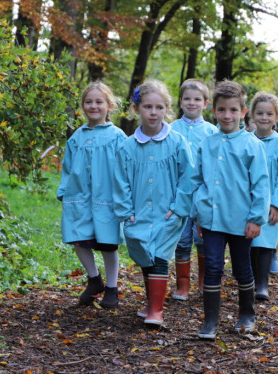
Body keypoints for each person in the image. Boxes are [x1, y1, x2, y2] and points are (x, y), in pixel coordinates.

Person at [192, 81, 270, 339]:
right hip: (212, 220)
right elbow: (197, 180)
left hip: (241, 220)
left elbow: (261, 184)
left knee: (242, 269)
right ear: (213, 110)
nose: (227, 115)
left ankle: (246, 314)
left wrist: (256, 219)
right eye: (222, 110)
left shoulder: (252, 145)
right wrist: (199, 215)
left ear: (243, 112)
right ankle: (210, 321)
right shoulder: (207, 143)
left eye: (233, 110)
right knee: (213, 266)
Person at [113, 79, 194, 326]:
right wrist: (126, 211)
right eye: (148, 107)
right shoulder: (127, 146)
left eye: (159, 107)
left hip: (167, 211)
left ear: (167, 109)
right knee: (145, 254)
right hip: (137, 212)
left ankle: (156, 311)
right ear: (137, 109)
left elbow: (188, 176)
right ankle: (151, 301)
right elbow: (120, 181)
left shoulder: (177, 141)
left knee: (159, 253)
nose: (153, 112)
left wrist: (178, 207)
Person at [57, 81, 127, 308]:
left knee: (107, 243)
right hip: (79, 196)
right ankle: (94, 279)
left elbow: (126, 167)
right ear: (82, 106)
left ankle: (113, 287)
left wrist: (125, 194)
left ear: (109, 105)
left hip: (107, 198)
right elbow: (67, 167)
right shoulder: (76, 137)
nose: (93, 106)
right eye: (89, 102)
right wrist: (64, 191)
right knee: (79, 239)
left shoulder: (117, 136)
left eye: (99, 102)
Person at [170, 79, 218, 300]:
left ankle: (203, 282)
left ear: (206, 104)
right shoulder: (170, 129)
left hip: (203, 194)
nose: (192, 103)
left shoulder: (212, 132)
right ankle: (182, 285)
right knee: (181, 241)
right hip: (178, 194)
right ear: (180, 102)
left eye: (197, 99)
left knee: (203, 240)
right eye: (187, 99)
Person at [249, 91, 278, 300]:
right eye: (259, 113)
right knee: (249, 242)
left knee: (266, 244)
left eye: (269, 114)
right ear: (252, 115)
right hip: (248, 203)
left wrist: (277, 204)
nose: (264, 118)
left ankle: (262, 285)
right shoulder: (246, 141)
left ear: (276, 117)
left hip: (271, 205)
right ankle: (248, 280)